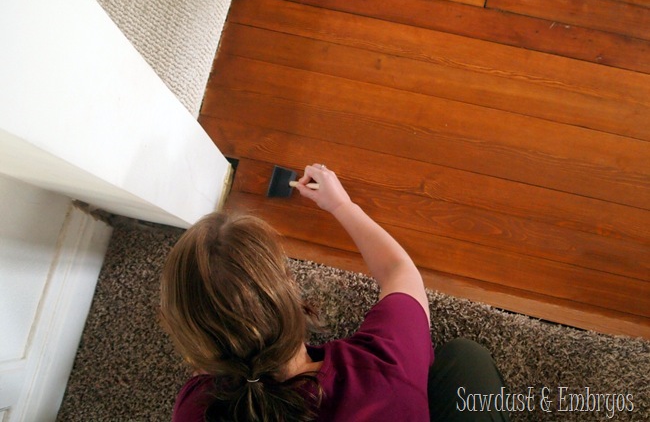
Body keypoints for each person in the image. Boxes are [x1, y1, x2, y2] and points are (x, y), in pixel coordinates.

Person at [160, 164, 511, 421]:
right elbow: (399, 272)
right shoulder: (383, 365)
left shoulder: (194, 410)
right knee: (467, 359)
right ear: (291, 288)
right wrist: (342, 206)